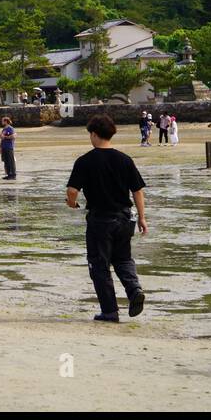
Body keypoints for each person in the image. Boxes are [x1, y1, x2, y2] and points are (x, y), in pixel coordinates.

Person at [66, 114, 147, 323]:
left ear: (94, 134)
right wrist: (142, 218)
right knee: (123, 259)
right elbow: (137, 191)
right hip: (125, 218)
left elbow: (72, 191)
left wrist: (72, 203)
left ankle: (110, 311)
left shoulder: (85, 161)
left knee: (99, 265)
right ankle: (134, 289)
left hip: (100, 221)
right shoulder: (125, 159)